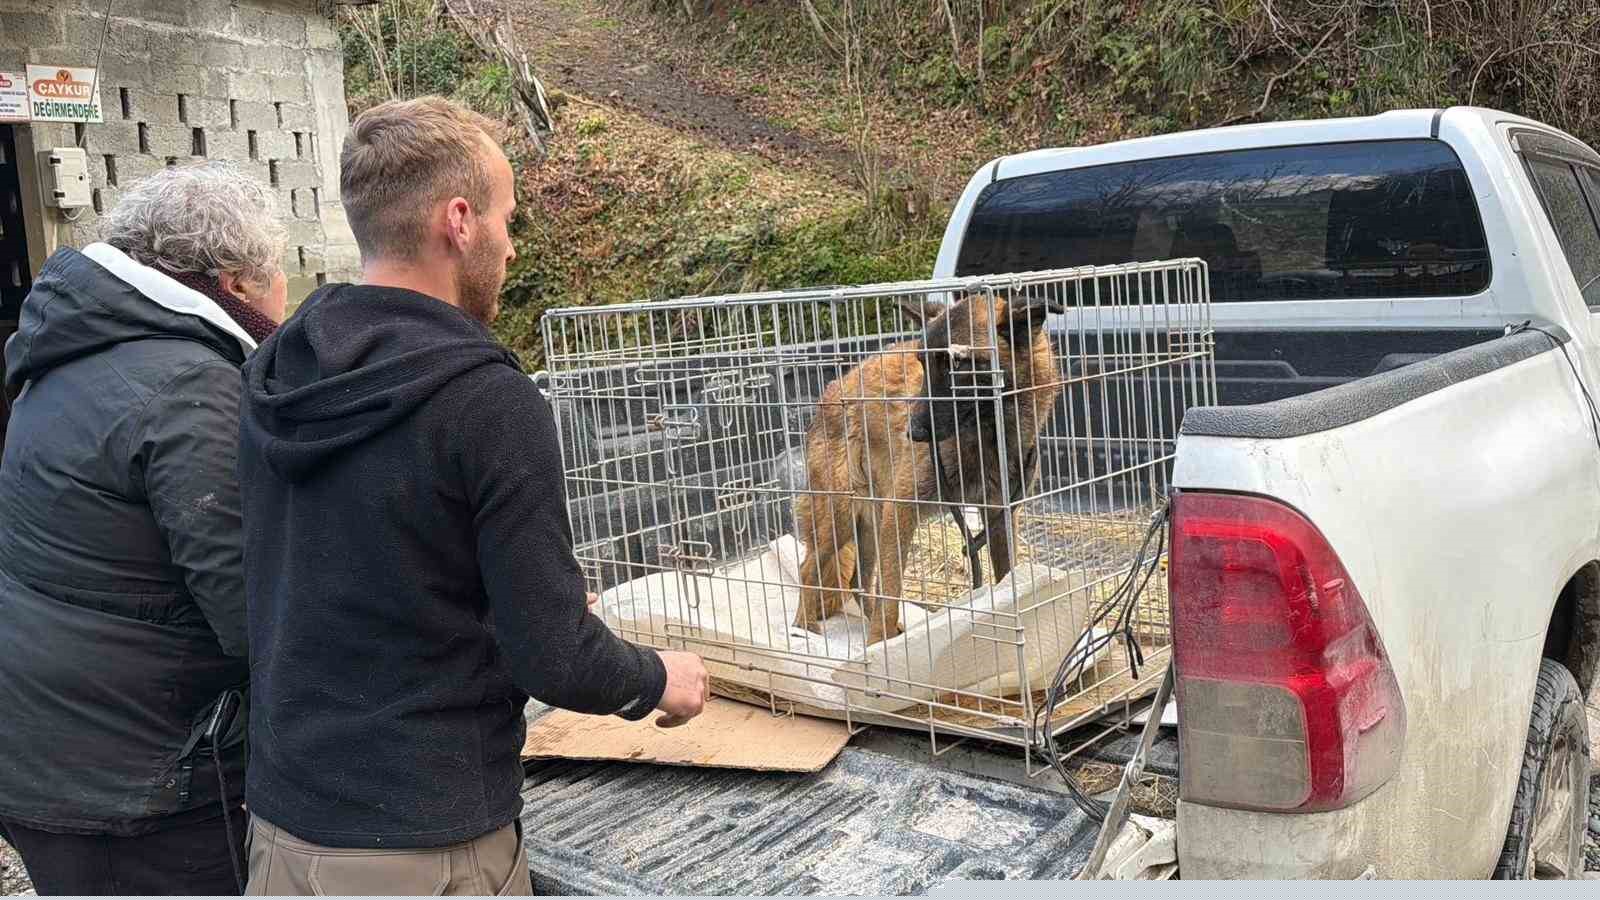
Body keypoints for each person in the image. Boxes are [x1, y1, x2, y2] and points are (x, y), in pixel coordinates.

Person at [237, 95, 710, 896]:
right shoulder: (488, 401)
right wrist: (661, 677)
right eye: (507, 219)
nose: (512, 246)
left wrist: (505, 606)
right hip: (424, 842)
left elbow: (359, 566)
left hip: (285, 828)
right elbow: (556, 657)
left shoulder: (279, 370)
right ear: (459, 221)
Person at [0, 162, 288, 895]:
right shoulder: (191, 384)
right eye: (280, 272)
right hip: (142, 783)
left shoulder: (69, 354)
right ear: (236, 281)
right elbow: (257, 611)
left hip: (53, 750)